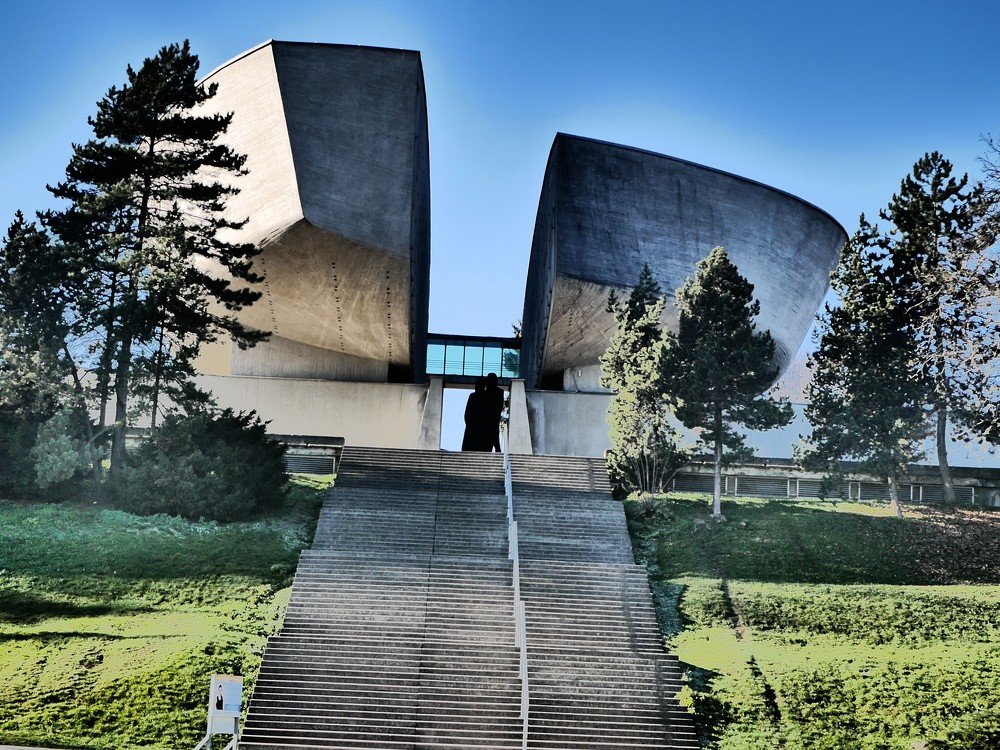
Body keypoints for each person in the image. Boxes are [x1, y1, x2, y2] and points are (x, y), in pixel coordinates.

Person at [461, 378, 487, 451]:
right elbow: (467, 412)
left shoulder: (478, 396)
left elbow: (467, 412)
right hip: (473, 424)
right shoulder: (473, 396)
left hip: (476, 425)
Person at [484, 373, 504, 452]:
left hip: (493, 419)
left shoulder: (498, 392)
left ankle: (497, 450)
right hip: (490, 420)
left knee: (494, 437)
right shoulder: (498, 392)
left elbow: (499, 407)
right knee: (492, 438)